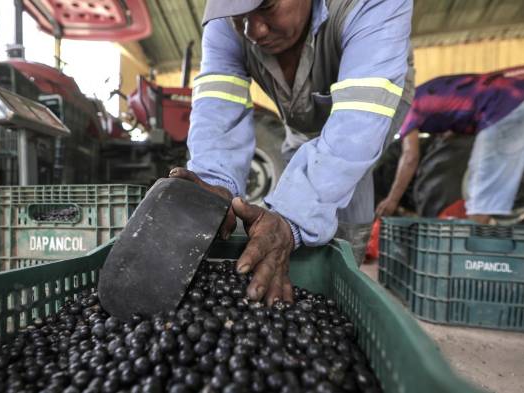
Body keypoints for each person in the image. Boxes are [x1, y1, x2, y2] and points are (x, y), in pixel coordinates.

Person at [168, 0, 413, 305]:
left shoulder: (370, 5)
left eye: (268, 6)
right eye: (240, 17)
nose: (253, 30)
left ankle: (341, 279)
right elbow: (219, 109)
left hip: (369, 102)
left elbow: (357, 125)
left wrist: (293, 220)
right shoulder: (226, 22)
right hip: (301, 116)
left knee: (340, 194)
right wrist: (215, 183)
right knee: (292, 204)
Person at [375, 73, 524, 231]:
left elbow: (410, 157)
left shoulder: (406, 108)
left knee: (483, 188)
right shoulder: (426, 92)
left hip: (503, 109)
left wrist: (392, 200)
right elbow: (458, 114)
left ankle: (464, 263)